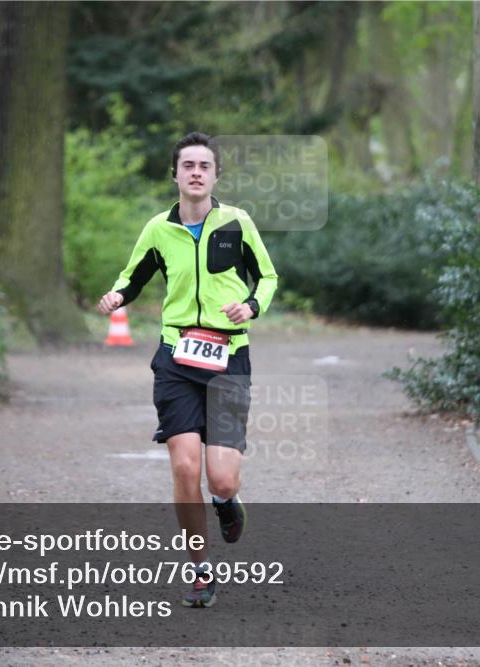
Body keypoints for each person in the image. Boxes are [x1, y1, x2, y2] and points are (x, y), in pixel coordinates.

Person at [97, 131, 278, 608]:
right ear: (175, 174)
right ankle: (199, 569)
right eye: (188, 165)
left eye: (204, 165)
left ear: (216, 175)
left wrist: (252, 306)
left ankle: (224, 503)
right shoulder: (159, 228)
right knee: (183, 466)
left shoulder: (237, 223)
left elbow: (267, 276)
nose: (196, 172)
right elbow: (133, 275)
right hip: (177, 356)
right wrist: (118, 296)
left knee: (221, 478)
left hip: (228, 356)